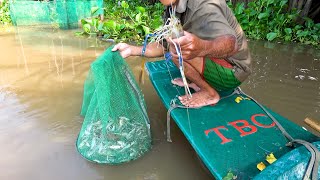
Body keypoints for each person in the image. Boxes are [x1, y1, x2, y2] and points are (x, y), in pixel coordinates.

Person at [112, 0, 251, 108]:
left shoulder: (203, 4)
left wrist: (201, 47)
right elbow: (164, 46)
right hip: (215, 61)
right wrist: (132, 50)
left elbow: (231, 45)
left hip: (234, 71)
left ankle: (210, 93)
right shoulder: (172, 7)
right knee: (175, 48)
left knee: (177, 53)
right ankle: (197, 83)